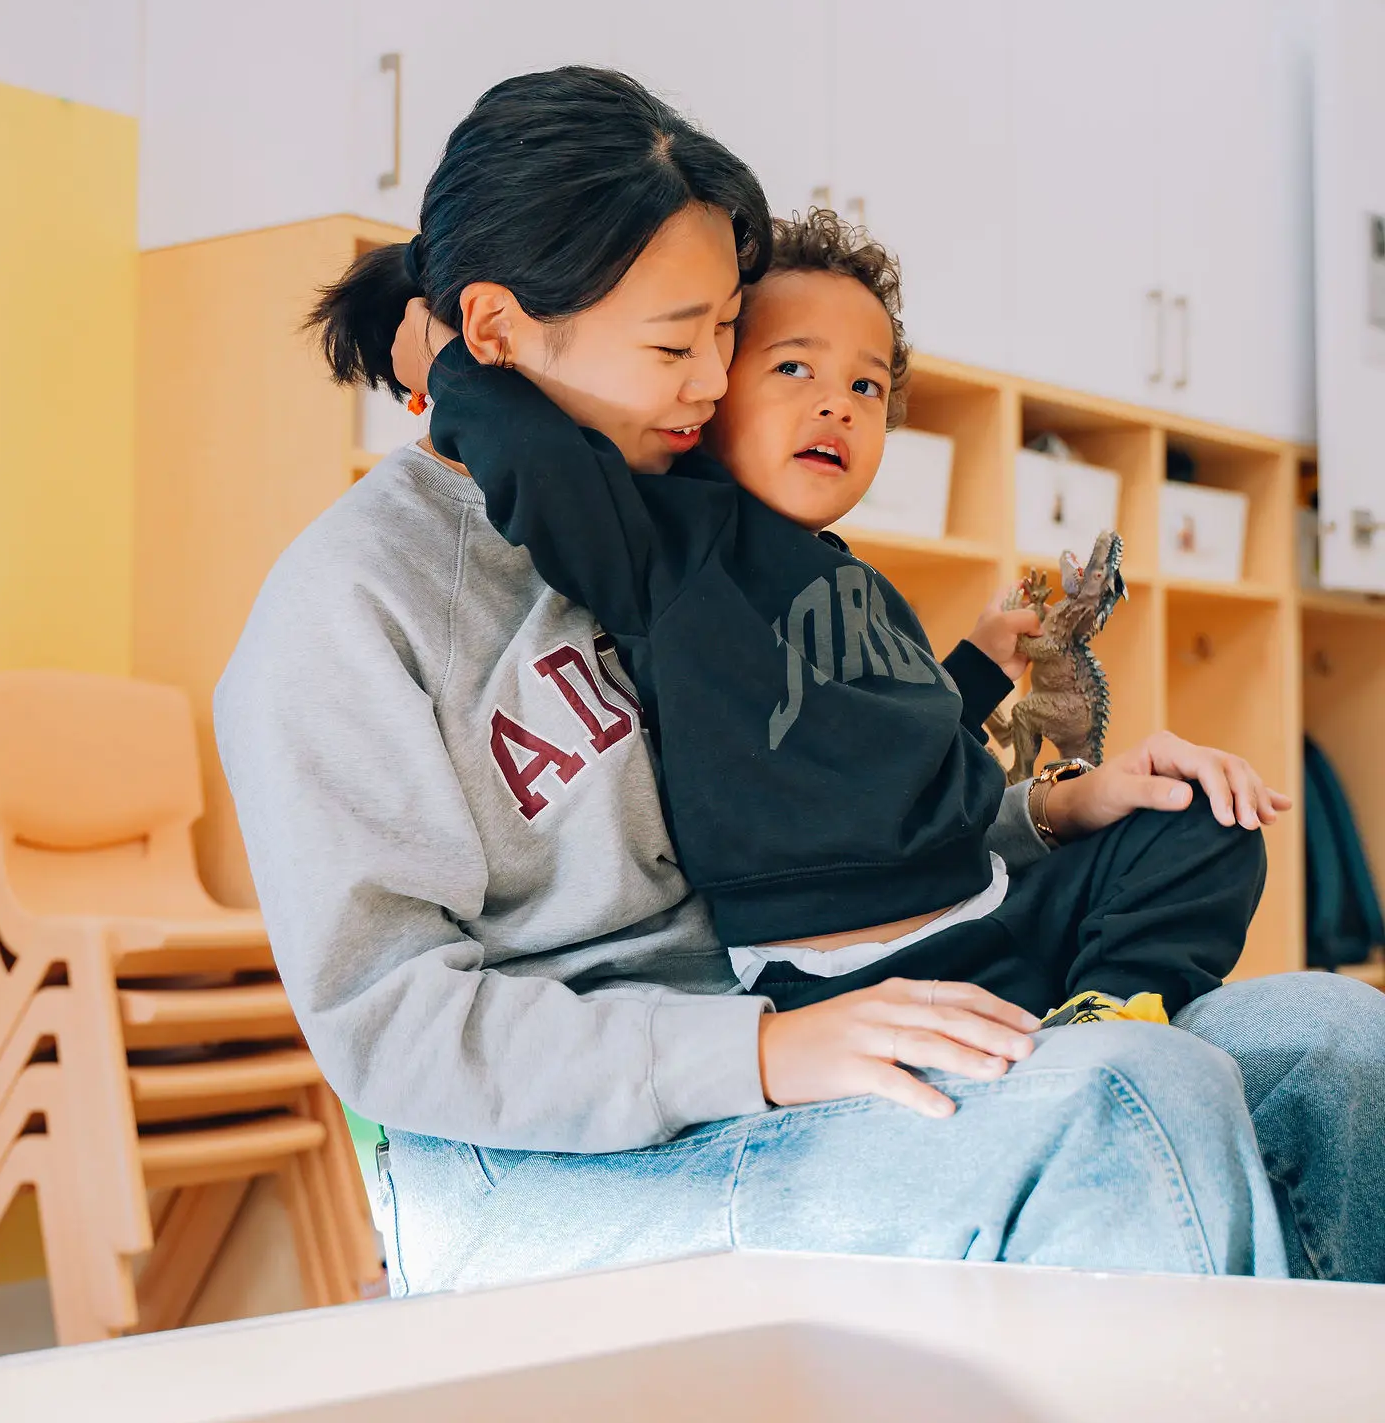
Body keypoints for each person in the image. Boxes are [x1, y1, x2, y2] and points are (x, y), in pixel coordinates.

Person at [214, 67, 1380, 1294]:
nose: (716, 381)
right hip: (564, 1153)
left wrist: (1051, 813)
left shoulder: (709, 524)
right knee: (1126, 1106)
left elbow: (825, 819)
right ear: (495, 332)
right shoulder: (347, 610)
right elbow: (392, 1024)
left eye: (728, 331)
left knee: (1338, 1048)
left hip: (827, 1035)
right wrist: (762, 1053)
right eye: (676, 343)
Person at [415, 206, 1279, 1030]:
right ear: (708, 391)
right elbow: (537, 460)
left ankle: (1114, 1005)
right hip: (848, 978)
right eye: (793, 368)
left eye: (866, 385)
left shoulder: (854, 579)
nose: (837, 404)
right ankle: (1091, 1031)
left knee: (1211, 826)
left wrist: (975, 671)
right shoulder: (669, 547)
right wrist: (440, 350)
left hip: (992, 906)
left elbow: (886, 743)